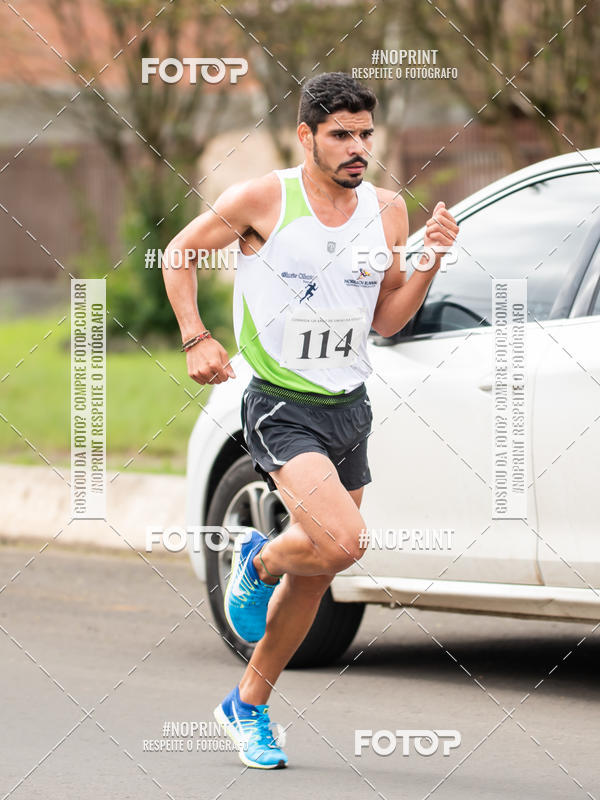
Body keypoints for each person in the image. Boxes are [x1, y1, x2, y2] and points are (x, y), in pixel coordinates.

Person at [162, 71, 459, 769]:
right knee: (344, 541)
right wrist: (195, 336)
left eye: (365, 135)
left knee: (319, 568)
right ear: (306, 136)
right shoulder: (264, 198)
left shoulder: (387, 210)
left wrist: (430, 261)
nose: (358, 148)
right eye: (341, 135)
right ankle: (258, 558)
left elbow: (387, 318)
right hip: (281, 404)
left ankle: (248, 704)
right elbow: (178, 254)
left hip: (349, 407)